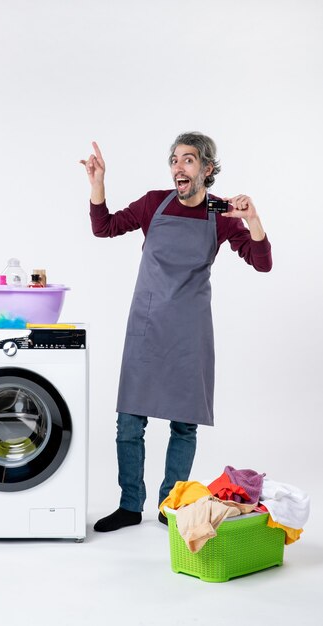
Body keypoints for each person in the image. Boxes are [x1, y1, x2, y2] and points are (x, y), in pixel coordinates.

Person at [80, 132, 272, 532]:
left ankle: (170, 505)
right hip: (147, 325)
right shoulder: (154, 203)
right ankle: (130, 505)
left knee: (184, 424)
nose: (177, 167)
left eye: (187, 160)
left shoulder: (221, 215)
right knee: (129, 421)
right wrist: (98, 186)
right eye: (174, 160)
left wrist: (252, 219)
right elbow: (106, 228)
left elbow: (261, 262)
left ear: (207, 169)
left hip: (190, 330)